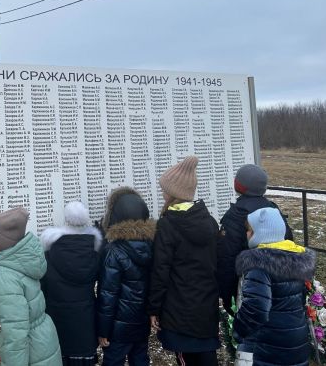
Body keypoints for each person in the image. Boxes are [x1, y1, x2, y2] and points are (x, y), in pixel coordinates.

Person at [0, 207, 62, 366]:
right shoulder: (24, 258)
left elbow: (15, 332)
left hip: (30, 350)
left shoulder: (3, 275)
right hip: (43, 340)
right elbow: (6, 267)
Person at [147, 156, 220, 366]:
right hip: (206, 308)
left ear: (173, 193)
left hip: (178, 309)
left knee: (186, 358)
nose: (163, 193)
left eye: (165, 190)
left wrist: (154, 309)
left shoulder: (168, 225)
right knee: (206, 357)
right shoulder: (210, 222)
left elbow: (160, 271)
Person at [233, 207, 316, 365]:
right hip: (296, 338)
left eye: (250, 230)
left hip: (269, 343)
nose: (246, 234)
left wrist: (238, 329)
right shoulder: (297, 258)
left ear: (261, 233)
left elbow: (256, 309)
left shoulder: (258, 265)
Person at [217, 164, 294, 313]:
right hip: (279, 287)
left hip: (248, 290)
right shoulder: (273, 210)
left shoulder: (235, 216)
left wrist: (227, 298)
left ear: (238, 186)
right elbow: (288, 241)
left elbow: (226, 258)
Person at [95, 188, 155, 366]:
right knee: (140, 359)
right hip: (141, 324)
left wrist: (103, 330)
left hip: (118, 330)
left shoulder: (113, 252)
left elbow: (108, 295)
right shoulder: (152, 246)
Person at [40, 201, 102, 366]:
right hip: (85, 323)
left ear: (65, 218)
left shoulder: (48, 255)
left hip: (56, 322)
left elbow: (42, 290)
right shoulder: (94, 255)